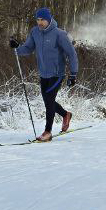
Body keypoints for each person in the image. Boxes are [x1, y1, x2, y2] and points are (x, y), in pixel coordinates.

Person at [10, 7, 79, 142]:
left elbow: (72, 54)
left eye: (42, 20)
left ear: (49, 19)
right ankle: (66, 114)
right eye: (38, 20)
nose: (40, 22)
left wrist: (73, 74)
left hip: (57, 73)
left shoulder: (60, 34)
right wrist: (17, 47)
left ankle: (47, 132)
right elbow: (28, 48)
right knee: (48, 101)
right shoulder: (35, 32)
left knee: (49, 101)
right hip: (43, 73)